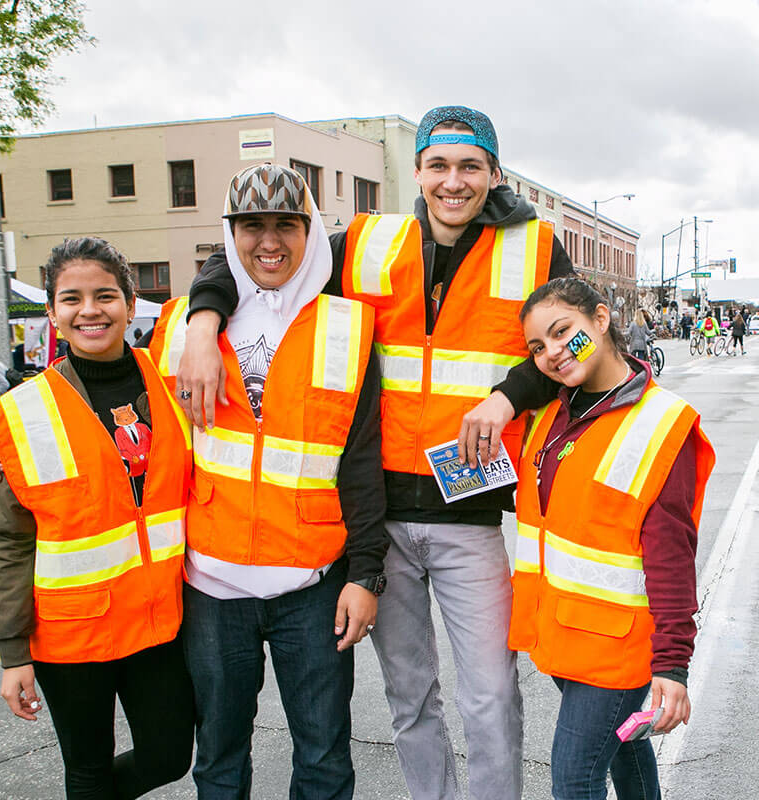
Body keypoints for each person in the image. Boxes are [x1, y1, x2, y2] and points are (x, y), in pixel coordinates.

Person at [176, 107, 575, 800]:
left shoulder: (537, 247)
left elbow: (581, 342)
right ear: (416, 171)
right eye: (439, 165)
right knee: (410, 699)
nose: (454, 181)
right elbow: (257, 252)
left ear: (493, 173)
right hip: (381, 519)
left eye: (470, 166)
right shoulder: (363, 241)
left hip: (468, 516)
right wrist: (203, 321)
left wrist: (509, 395)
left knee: (490, 697)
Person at [148, 162, 387, 799]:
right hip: (212, 586)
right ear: (230, 235)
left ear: (311, 232)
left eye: (287, 225)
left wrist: (365, 574)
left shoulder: (349, 326)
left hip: (312, 585)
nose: (269, 241)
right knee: (220, 760)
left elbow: (361, 463)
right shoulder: (179, 325)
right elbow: (129, 430)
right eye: (251, 226)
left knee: (325, 758)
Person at [0, 237, 196, 798]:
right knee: (88, 769)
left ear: (129, 302)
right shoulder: (24, 413)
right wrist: (12, 653)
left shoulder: (175, 379)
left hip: (158, 622)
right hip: (70, 637)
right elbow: (7, 540)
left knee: (169, 755)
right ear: (52, 312)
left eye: (105, 295)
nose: (90, 310)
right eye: (71, 299)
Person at [509, 277, 715, 800]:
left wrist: (672, 663)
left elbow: (672, 559)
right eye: (538, 347)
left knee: (574, 779)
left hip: (618, 649)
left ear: (600, 320)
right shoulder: (552, 416)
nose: (553, 352)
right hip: (563, 635)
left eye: (563, 332)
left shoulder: (660, 423)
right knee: (625, 750)